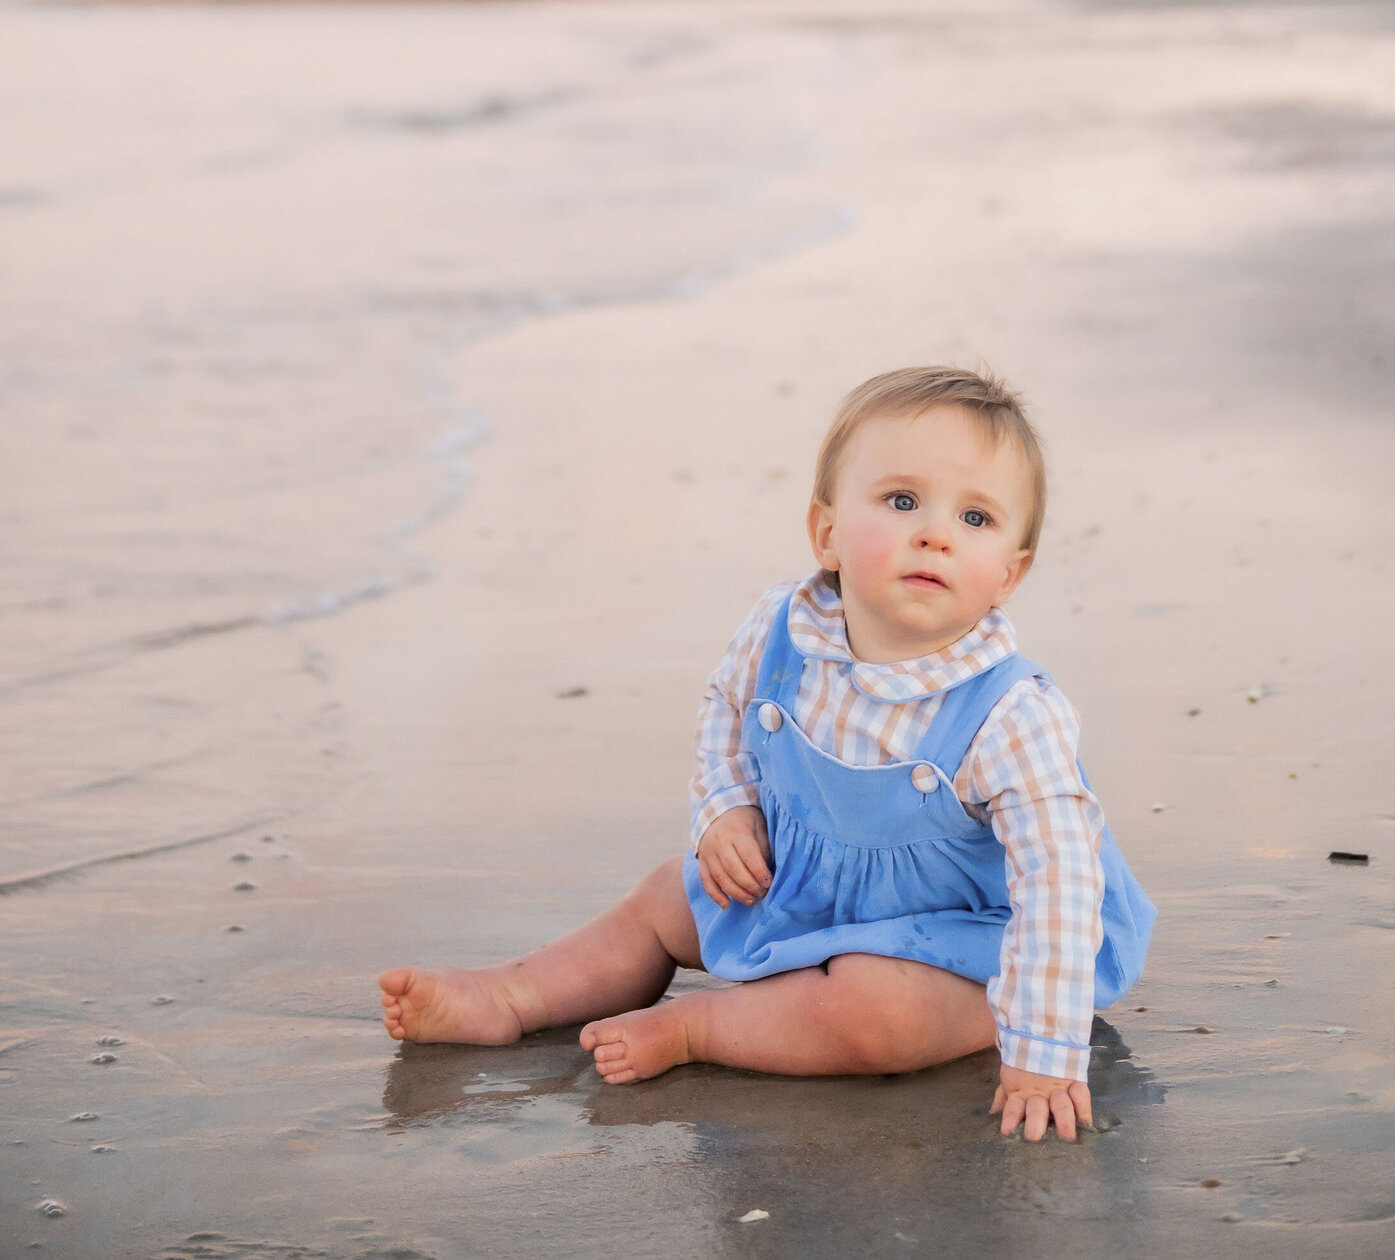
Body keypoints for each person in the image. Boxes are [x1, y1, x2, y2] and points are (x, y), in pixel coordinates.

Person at [379, 364, 1154, 1142]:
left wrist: (1046, 1050)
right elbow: (726, 714)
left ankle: (702, 1030)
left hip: (966, 935)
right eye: (902, 500)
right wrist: (727, 811)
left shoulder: (1012, 714)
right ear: (826, 532)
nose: (936, 532)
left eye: (977, 519)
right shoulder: (783, 630)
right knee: (665, 899)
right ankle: (511, 996)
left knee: (878, 1016)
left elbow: (1060, 880)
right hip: (807, 886)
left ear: (1008, 577)